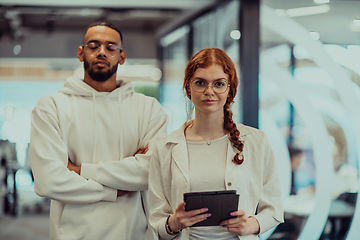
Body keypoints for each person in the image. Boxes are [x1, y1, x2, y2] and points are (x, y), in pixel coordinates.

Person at [29, 21, 168, 240]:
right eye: (93, 46)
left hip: (133, 232)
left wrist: (78, 170)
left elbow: (150, 172)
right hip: (72, 234)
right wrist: (116, 189)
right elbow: (48, 181)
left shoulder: (148, 109)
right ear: (80, 53)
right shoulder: (51, 106)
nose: (102, 52)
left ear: (121, 56)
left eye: (111, 47)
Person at [148, 48, 284, 240]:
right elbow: (156, 220)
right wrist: (174, 223)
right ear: (188, 88)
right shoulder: (165, 148)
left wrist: (250, 225)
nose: (209, 91)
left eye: (219, 84)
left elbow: (274, 210)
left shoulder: (256, 141)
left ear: (230, 89)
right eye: (200, 83)